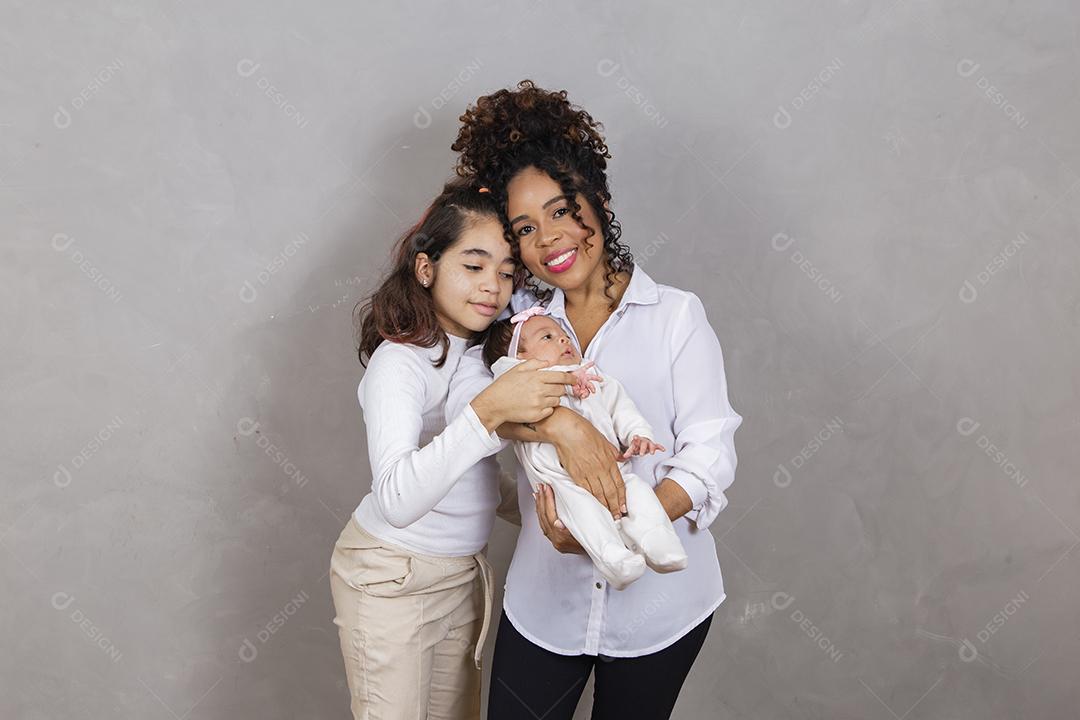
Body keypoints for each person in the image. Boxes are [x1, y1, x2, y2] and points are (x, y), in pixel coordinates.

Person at [447, 80, 743, 719]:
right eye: (525, 227)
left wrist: (631, 523)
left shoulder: (675, 318)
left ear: (597, 201)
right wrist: (564, 428)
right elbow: (473, 408)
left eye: (562, 210)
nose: (551, 239)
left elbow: (709, 454)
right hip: (544, 600)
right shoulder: (512, 319)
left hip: (664, 611)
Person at [328, 177, 584, 720]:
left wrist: (563, 511)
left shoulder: (473, 359)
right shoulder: (400, 362)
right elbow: (397, 497)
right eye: (473, 265)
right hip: (392, 576)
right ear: (427, 269)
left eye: (506, 272)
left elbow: (476, 478)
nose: (492, 285)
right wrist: (489, 411)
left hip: (463, 576)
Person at [482, 305, 688, 590]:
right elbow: (499, 389)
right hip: (562, 485)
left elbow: (621, 406)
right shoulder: (522, 389)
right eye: (547, 338)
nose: (563, 340)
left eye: (563, 334)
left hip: (613, 470)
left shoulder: (594, 378)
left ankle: (659, 543)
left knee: (639, 494)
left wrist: (638, 433)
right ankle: (615, 560)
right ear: (519, 359)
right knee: (585, 514)